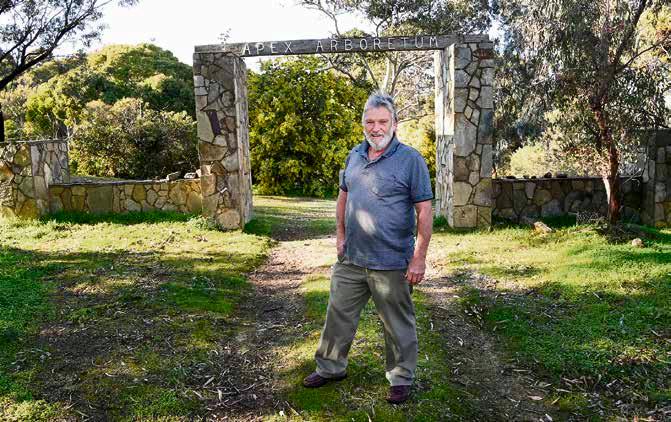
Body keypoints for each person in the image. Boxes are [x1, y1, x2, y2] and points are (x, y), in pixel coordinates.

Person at [302, 92, 433, 404]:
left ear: (395, 124)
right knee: (338, 316)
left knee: (397, 324)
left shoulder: (411, 160)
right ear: (363, 123)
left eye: (382, 121)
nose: (376, 128)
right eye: (370, 122)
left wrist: (419, 257)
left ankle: (400, 377)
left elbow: (424, 210)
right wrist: (340, 236)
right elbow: (344, 196)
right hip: (352, 259)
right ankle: (330, 367)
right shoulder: (354, 155)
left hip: (391, 261)